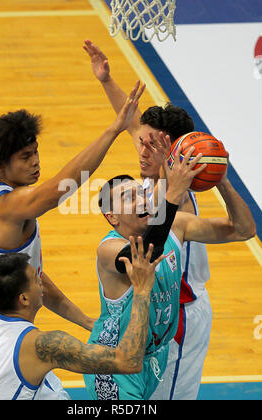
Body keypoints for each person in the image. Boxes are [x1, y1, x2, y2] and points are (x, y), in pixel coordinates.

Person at [0, 81, 144, 398]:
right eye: (25, 157)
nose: (35, 161)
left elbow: (36, 279)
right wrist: (113, 130)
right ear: (1, 164)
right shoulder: (12, 206)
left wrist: (85, 320)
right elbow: (62, 186)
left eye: (36, 153)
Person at [83, 39, 211, 399]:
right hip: (152, 308)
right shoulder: (148, 182)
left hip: (179, 312)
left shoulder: (178, 190)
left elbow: (152, 250)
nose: (141, 146)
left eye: (150, 143)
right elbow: (132, 126)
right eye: (142, 142)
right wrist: (106, 80)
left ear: (172, 151)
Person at [83, 140, 256, 399]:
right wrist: (173, 193)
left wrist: (221, 180)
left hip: (154, 355)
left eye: (140, 193)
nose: (141, 199)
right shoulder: (108, 249)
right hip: (115, 363)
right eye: (128, 198)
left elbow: (244, 229)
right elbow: (145, 254)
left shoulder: (176, 225)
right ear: (112, 217)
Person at [0, 247, 164, 400]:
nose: (42, 282)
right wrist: (142, 290)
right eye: (36, 279)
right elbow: (128, 362)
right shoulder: (42, 345)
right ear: (24, 299)